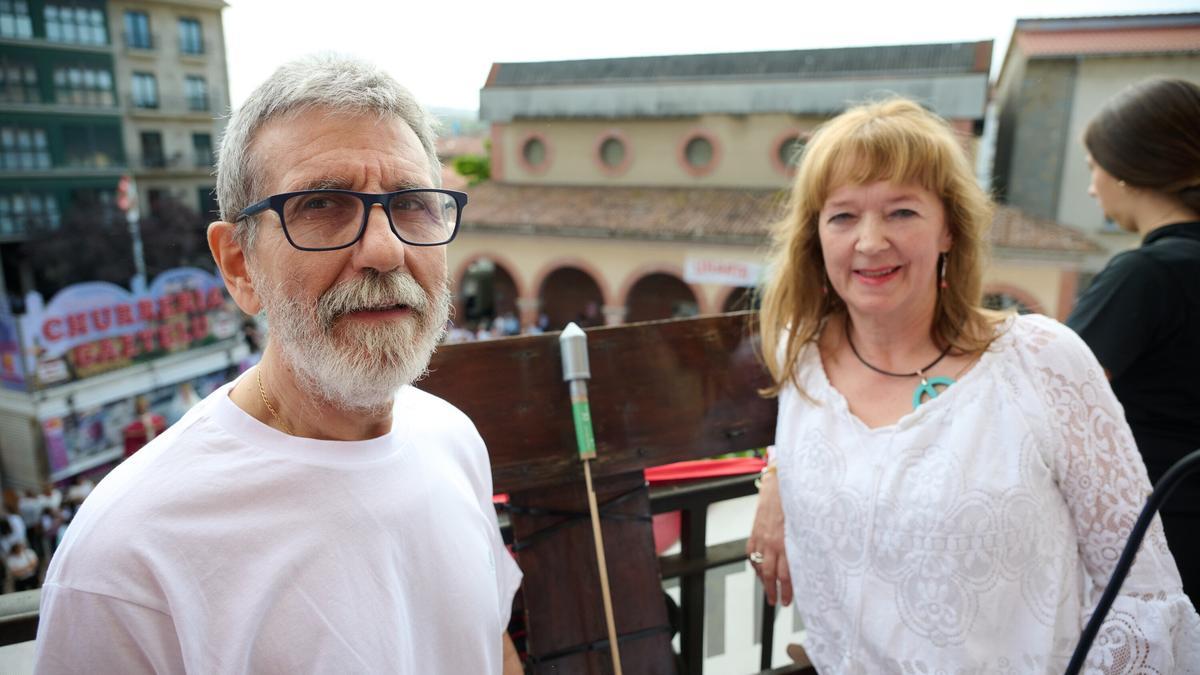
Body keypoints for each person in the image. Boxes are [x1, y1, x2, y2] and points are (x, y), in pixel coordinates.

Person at [35, 54, 523, 674]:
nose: (386, 249)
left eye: (413, 204)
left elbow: (488, 645)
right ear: (239, 263)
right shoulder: (126, 555)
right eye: (321, 205)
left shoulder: (455, 439)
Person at [744, 98, 1200, 671]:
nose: (868, 241)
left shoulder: (1041, 362)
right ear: (815, 236)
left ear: (950, 231)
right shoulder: (802, 356)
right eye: (842, 216)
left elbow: (1144, 594)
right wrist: (779, 474)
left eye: (901, 212)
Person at [1066, 77, 1200, 609]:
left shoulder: (1147, 274)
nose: (1094, 187)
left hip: (1161, 552)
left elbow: (1050, 400)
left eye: (1094, 168)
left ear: (1126, 169)